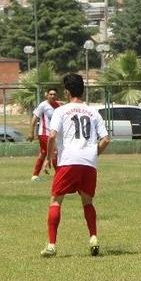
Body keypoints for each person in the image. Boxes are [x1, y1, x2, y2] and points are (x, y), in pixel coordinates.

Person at [40, 74, 110, 258]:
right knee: (87, 201)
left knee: (56, 200)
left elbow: (52, 136)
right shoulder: (93, 112)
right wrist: (92, 154)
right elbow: (106, 139)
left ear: (67, 91)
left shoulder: (61, 111)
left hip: (68, 161)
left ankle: (52, 245)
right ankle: (93, 237)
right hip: (88, 162)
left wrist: (48, 157)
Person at [27, 88, 61, 182]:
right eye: (51, 94)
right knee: (54, 152)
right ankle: (59, 176)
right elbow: (34, 118)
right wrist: (31, 132)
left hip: (53, 134)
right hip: (44, 134)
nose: (52, 96)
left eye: (54, 94)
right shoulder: (43, 105)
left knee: (43, 153)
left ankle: (35, 175)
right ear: (47, 95)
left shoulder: (58, 105)